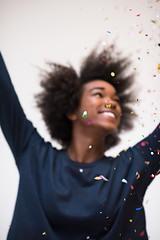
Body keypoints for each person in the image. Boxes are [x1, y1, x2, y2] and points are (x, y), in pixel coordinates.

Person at [0, 45, 159, 240]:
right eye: (99, 94)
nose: (112, 103)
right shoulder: (34, 155)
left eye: (116, 99)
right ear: (72, 110)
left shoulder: (130, 167)